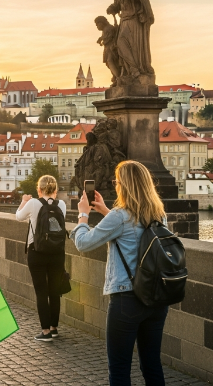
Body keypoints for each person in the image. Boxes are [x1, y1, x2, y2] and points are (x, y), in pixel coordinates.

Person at [71, 160, 169, 386]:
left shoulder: (120, 215)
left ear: (124, 185)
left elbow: (83, 243)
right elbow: (132, 229)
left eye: (116, 181)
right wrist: (105, 210)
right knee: (152, 365)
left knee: (119, 369)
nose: (114, 185)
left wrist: (83, 215)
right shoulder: (159, 214)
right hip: (156, 299)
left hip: (127, 299)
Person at [15, 175, 67, 342]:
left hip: (36, 252)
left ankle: (45, 332)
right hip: (57, 253)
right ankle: (54, 328)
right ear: (55, 190)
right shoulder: (62, 204)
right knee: (54, 291)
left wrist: (23, 201)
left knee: (41, 291)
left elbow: (19, 217)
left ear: (39, 189)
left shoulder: (33, 203)